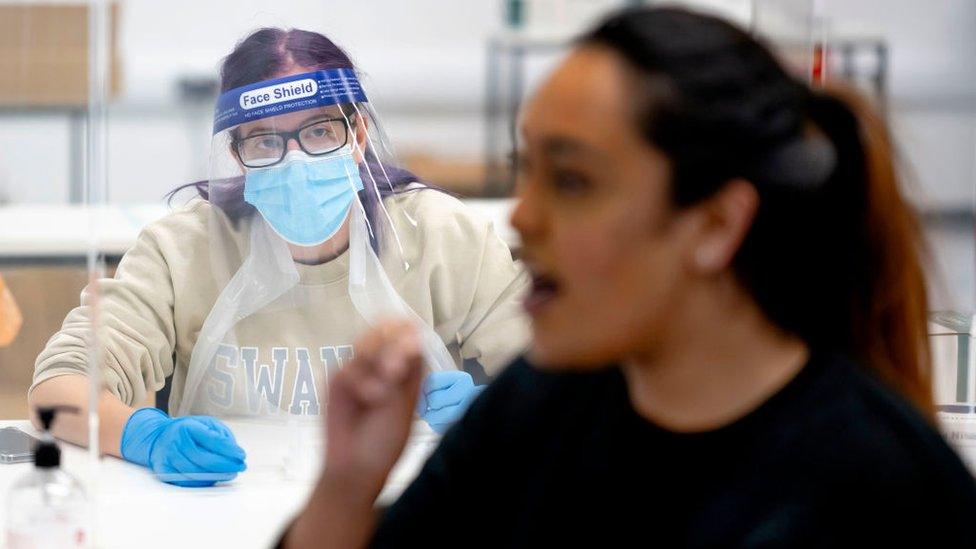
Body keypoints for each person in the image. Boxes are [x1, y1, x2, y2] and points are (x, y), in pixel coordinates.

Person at [281, 7, 976, 547]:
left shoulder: (882, 493)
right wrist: (348, 482)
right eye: (529, 170)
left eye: (573, 180)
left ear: (714, 225)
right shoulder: (539, 408)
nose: (523, 215)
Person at [28, 28, 529, 487]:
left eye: (318, 132)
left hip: (410, 510)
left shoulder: (440, 235)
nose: (295, 161)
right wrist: (145, 436)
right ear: (238, 153)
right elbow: (56, 390)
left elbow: (573, 379)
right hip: (223, 511)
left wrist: (493, 407)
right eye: (266, 141)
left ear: (356, 136)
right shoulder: (184, 250)